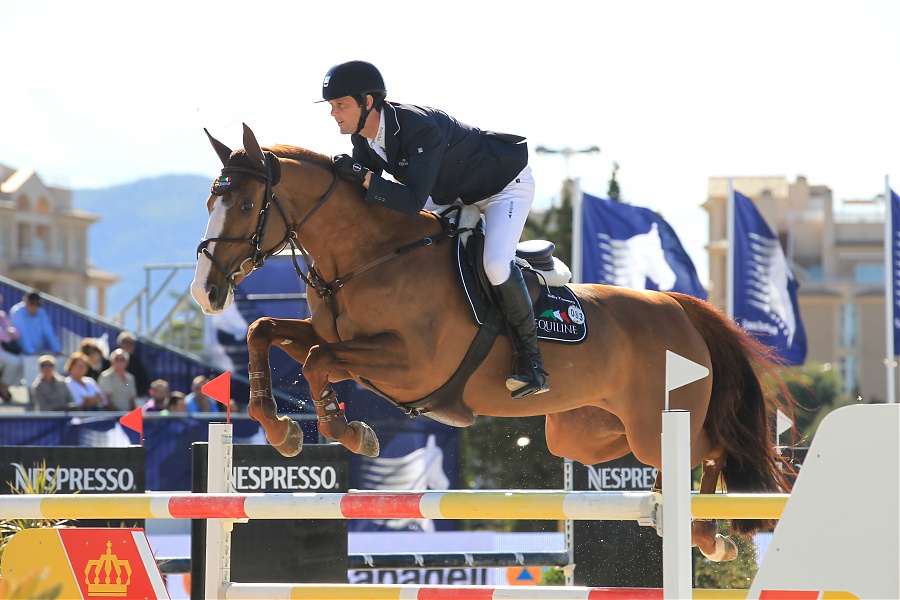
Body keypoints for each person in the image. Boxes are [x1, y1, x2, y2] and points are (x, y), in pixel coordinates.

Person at [321, 61, 548, 398]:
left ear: (367, 102)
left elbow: (411, 200)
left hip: (502, 189)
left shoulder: (418, 126)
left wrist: (364, 176)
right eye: (331, 105)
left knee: (496, 264)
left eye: (341, 104)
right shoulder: (364, 139)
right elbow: (367, 198)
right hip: (450, 195)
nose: (333, 113)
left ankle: (532, 363)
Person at [9, 290, 61, 356]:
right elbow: (22, 334)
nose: (34, 307)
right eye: (32, 303)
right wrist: (31, 351)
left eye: (37, 304)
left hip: (37, 352)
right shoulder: (17, 312)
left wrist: (58, 350)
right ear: (25, 302)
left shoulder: (41, 312)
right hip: (18, 353)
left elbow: (49, 332)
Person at [0, 292, 25, 402]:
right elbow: (4, 336)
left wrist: (8, 333)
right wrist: (6, 333)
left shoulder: (2, 316)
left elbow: (16, 333)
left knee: (20, 362)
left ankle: (4, 385)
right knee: (14, 362)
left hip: (3, 351)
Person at [116, 331, 150, 399]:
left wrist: (137, 395)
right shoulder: (109, 360)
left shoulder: (136, 362)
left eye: (131, 343)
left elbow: (144, 382)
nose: (128, 345)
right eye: (125, 342)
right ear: (119, 344)